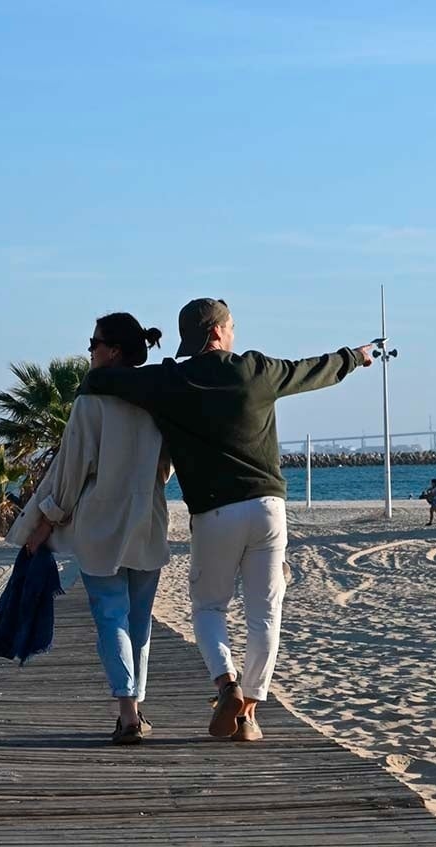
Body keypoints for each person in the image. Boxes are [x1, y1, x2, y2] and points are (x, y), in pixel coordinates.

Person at [83, 297, 372, 742]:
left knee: (209, 606)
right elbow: (312, 370)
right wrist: (356, 357)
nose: (235, 333)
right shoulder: (256, 370)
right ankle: (249, 715)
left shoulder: (171, 380)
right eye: (232, 326)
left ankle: (226, 684)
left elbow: (109, 381)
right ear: (217, 332)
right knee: (265, 612)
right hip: (268, 509)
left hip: (214, 513)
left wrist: (101, 366)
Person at [6, 313, 170, 746]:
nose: (90, 350)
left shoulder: (91, 399)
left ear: (113, 349)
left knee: (111, 615)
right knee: (140, 620)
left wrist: (47, 520)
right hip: (149, 517)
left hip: (101, 521)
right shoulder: (159, 397)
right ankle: (137, 707)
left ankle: (128, 712)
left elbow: (71, 469)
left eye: (93, 343)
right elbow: (166, 468)